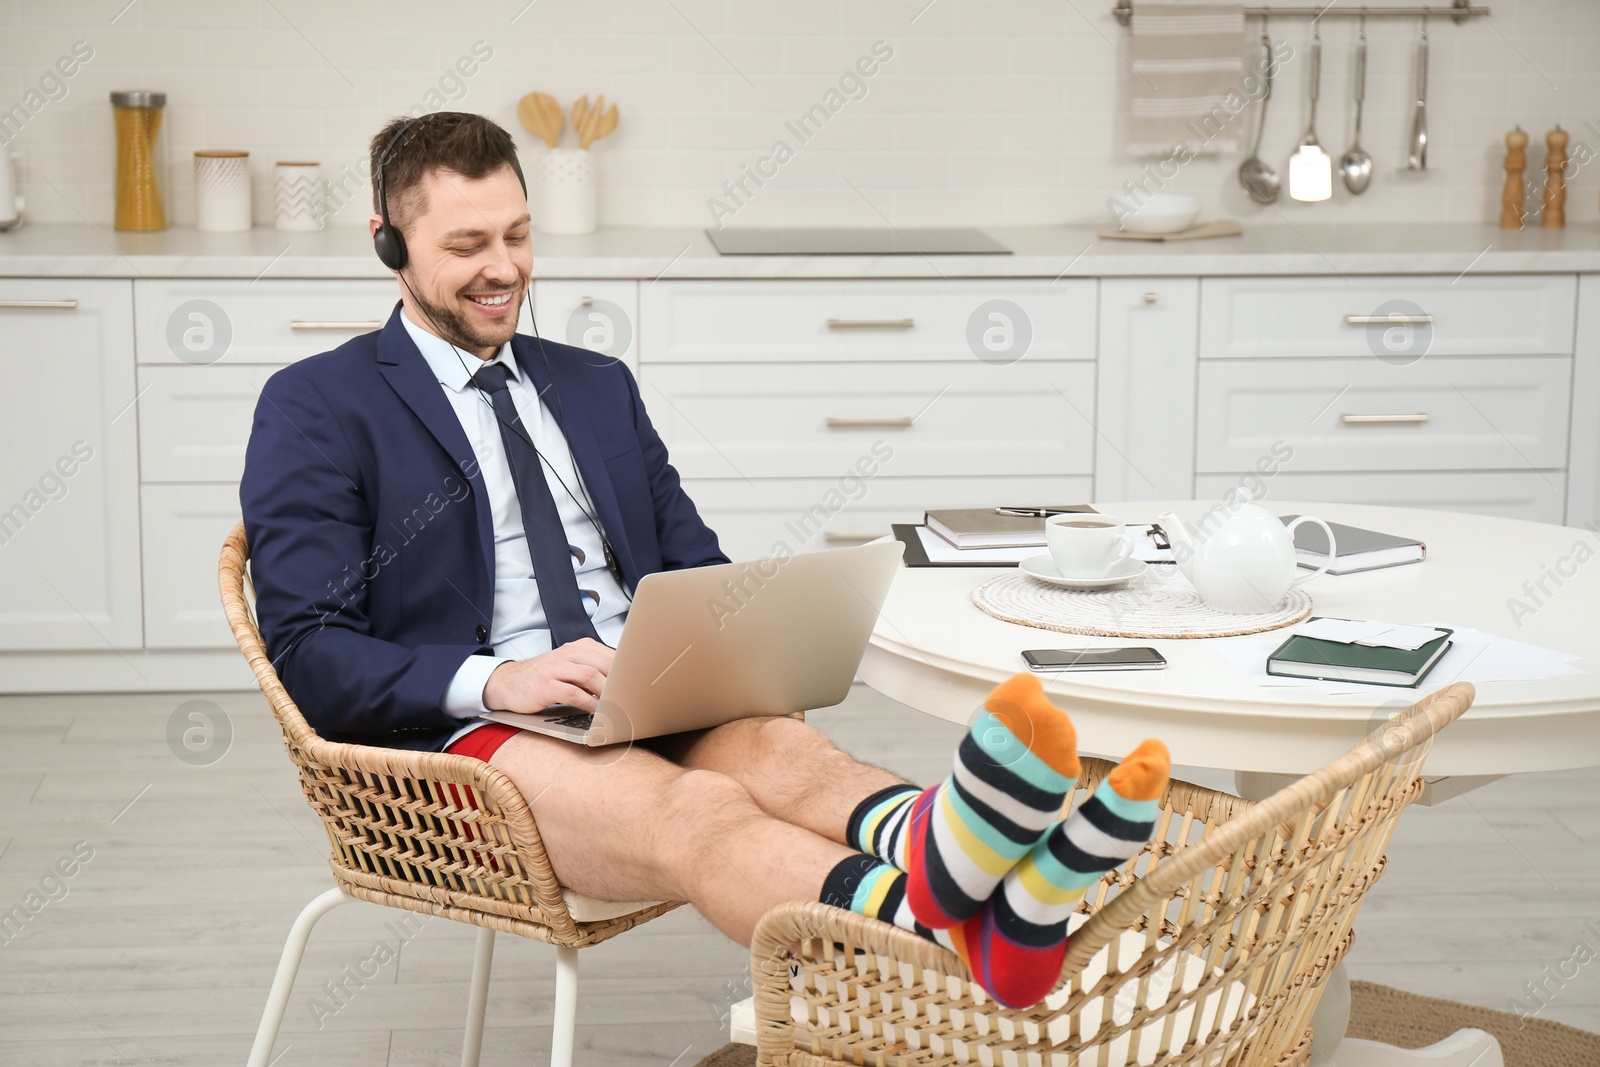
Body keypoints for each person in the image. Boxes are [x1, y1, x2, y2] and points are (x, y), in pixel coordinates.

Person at [240, 111, 1170, 1010]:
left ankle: (958, 867)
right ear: (387, 244)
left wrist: (741, 645)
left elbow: (695, 572)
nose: (504, 269)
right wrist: (501, 679)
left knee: (788, 754)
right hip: (470, 744)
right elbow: (311, 651)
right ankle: (970, 928)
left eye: (519, 235)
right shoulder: (319, 404)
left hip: (638, 687)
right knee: (702, 812)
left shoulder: (596, 386)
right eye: (467, 243)